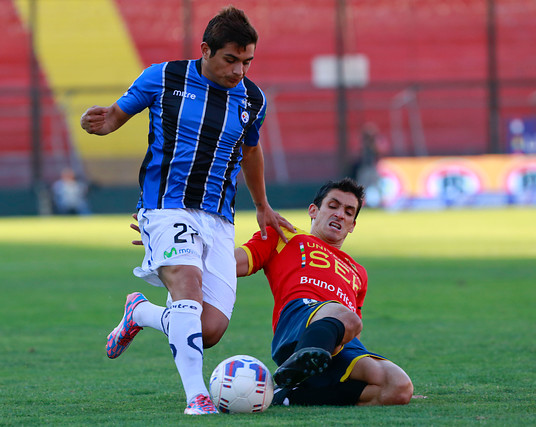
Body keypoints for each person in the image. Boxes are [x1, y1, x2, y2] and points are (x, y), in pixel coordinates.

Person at [80, 6, 293, 415]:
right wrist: (106, 122)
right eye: (231, 60)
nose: (239, 71)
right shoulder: (163, 77)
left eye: (247, 61)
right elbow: (116, 115)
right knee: (187, 286)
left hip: (218, 218)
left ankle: (140, 312)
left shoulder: (253, 98)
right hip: (165, 207)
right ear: (205, 50)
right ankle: (197, 398)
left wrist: (262, 205)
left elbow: (250, 149)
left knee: (208, 328)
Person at [235, 177, 413, 406]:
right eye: (333, 206)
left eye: (349, 212)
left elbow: (353, 332)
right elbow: (231, 264)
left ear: (352, 226)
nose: (340, 214)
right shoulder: (284, 235)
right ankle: (302, 358)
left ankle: (288, 395)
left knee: (398, 387)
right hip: (299, 319)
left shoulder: (358, 272)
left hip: (339, 338)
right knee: (345, 316)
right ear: (313, 210)